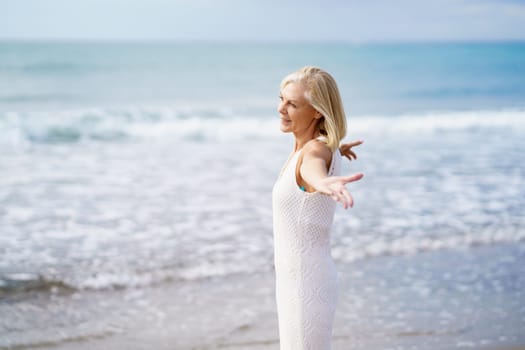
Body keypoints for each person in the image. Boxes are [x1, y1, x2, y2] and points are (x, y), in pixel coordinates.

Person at [272, 66, 364, 349]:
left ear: (317, 112)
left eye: (292, 104)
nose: (281, 109)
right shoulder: (317, 148)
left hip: (305, 287)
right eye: (281, 99)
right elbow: (319, 154)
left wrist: (325, 182)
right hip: (297, 281)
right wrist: (337, 150)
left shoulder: (314, 152)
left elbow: (313, 169)